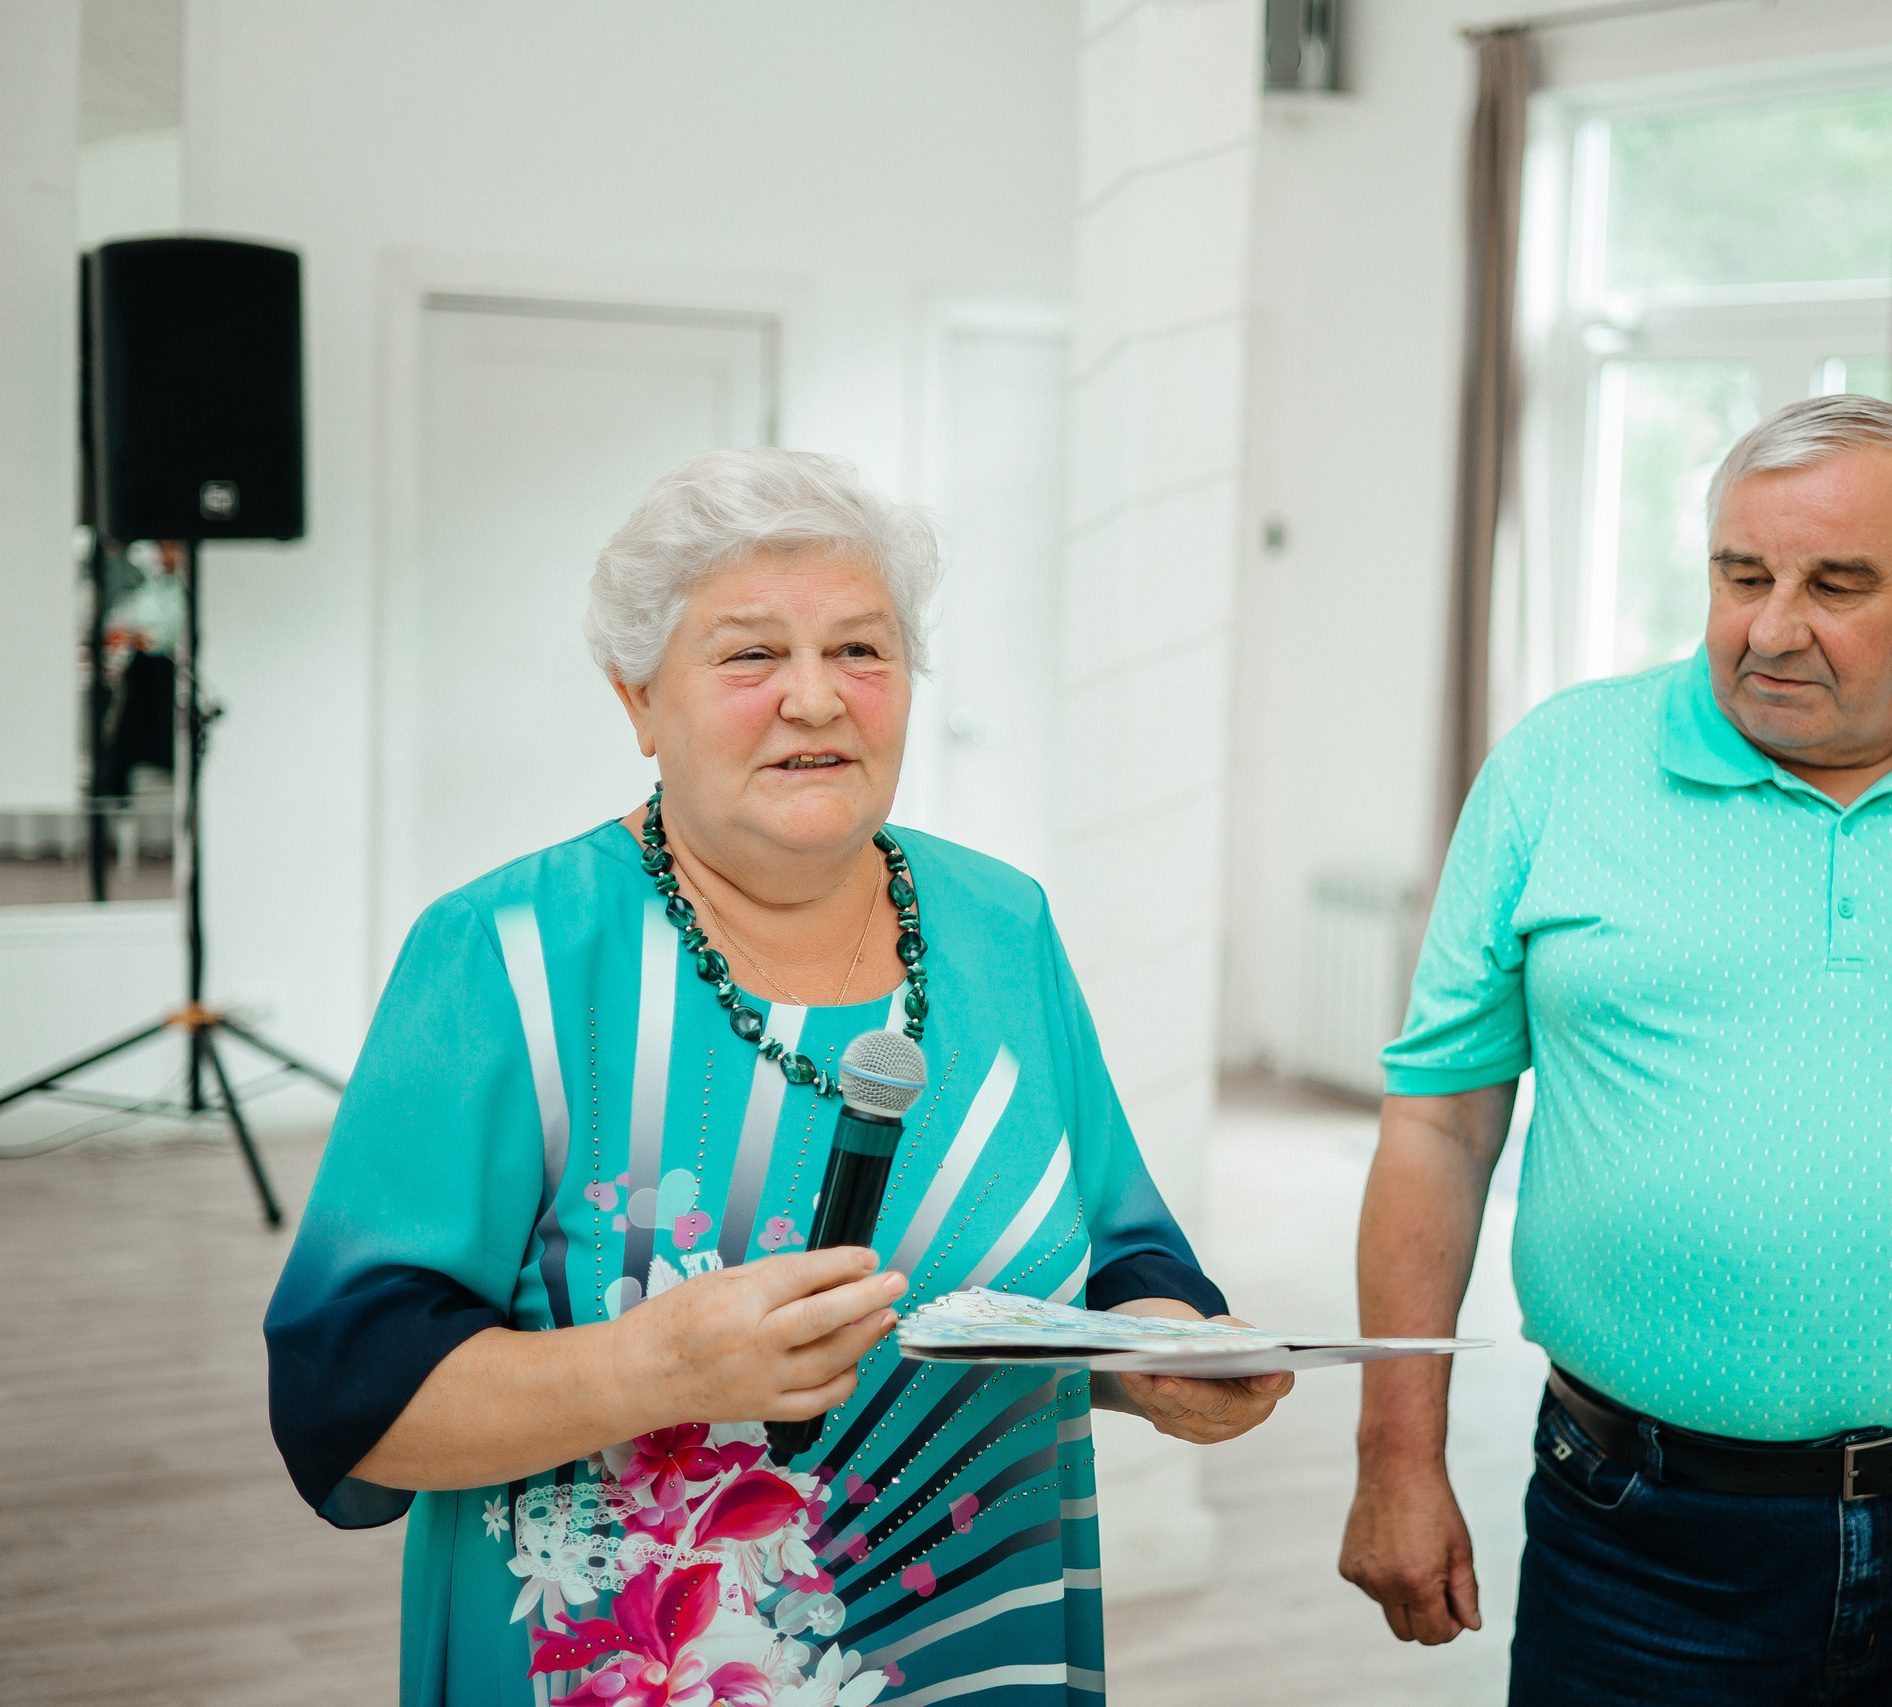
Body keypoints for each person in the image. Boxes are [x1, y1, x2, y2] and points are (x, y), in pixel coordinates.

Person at [266, 448, 1288, 1707]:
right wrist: (652, 1372)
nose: (816, 699)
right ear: (639, 701)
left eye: (861, 652)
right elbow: (344, 1400)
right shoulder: (506, 955)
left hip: (979, 1649)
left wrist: (1164, 1358)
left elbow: (1124, 1257)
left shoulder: (998, 925)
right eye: (751, 656)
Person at [1338, 395, 1892, 1707]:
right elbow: (1439, 1124)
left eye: (1836, 582)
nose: (1770, 625)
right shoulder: (1559, 769)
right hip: (1644, 1531)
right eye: (1741, 573)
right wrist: (1395, 1455)